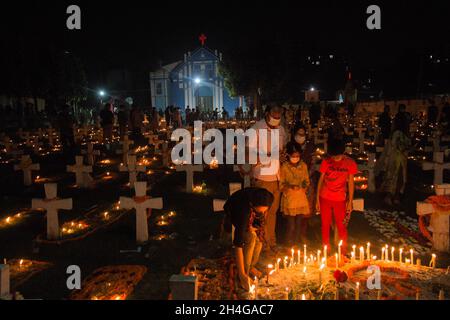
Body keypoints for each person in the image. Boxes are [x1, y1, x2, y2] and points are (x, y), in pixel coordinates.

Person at [249, 105, 287, 253]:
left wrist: (282, 157)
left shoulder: (282, 130)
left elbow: (282, 151)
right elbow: (250, 154)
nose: (277, 117)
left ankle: (271, 241)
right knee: (262, 212)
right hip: (262, 176)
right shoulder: (256, 129)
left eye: (279, 115)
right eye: (274, 113)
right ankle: (261, 243)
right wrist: (271, 156)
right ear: (267, 113)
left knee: (273, 212)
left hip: (277, 176)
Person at [223, 187, 274, 290]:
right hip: (233, 210)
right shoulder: (243, 211)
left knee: (259, 241)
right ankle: (244, 273)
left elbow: (263, 216)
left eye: (265, 210)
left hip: (252, 216)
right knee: (250, 238)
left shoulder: (267, 198)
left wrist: (256, 226)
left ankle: (250, 267)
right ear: (253, 206)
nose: (264, 212)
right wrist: (242, 275)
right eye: (261, 210)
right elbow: (238, 244)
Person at [316, 139, 357, 255]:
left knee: (341, 225)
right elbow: (321, 180)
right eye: (333, 157)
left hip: (340, 199)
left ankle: (343, 251)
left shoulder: (350, 163)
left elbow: (351, 182)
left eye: (338, 157)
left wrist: (350, 201)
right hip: (325, 197)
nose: (335, 159)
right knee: (325, 224)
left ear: (343, 153)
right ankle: (326, 249)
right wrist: (317, 200)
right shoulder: (326, 162)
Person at [280, 142, 310, 245]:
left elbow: (307, 181)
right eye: (293, 156)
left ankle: (296, 245)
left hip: (300, 198)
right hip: (290, 199)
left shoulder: (303, 166)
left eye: (297, 156)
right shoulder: (284, 167)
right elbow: (281, 184)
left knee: (298, 224)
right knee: (291, 225)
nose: (295, 158)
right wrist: (290, 186)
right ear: (288, 155)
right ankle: (288, 244)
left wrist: (303, 186)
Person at [379, 116, 411, 206]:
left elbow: (404, 145)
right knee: (394, 178)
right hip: (396, 158)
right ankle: (390, 196)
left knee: (399, 178)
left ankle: (396, 196)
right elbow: (395, 145)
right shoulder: (397, 133)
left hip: (400, 159)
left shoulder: (402, 134)